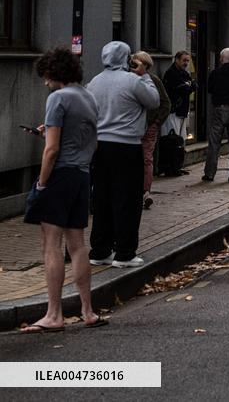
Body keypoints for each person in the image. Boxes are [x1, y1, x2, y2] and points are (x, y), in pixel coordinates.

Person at [19, 48, 106, 333]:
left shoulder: (57, 98)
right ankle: (87, 310)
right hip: (82, 174)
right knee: (78, 244)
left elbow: (52, 149)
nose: (45, 82)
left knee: (51, 244)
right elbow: (89, 140)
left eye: (46, 75)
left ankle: (54, 314)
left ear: (54, 72)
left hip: (59, 176)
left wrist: (42, 183)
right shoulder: (88, 97)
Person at [87, 41, 160, 269]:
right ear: (127, 59)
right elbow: (154, 101)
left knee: (102, 198)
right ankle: (125, 253)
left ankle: (100, 249)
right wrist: (144, 75)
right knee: (127, 200)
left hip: (100, 146)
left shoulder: (94, 82)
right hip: (127, 145)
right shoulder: (133, 81)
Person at [131, 52, 169, 209]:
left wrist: (156, 123)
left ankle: (145, 192)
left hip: (148, 126)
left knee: (146, 158)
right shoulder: (129, 79)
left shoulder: (153, 81)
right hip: (132, 127)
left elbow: (165, 103)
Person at [202, 48, 229, 182]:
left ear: (221, 58)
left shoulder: (215, 73)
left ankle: (209, 173)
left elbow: (210, 89)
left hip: (219, 109)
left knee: (214, 143)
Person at [161, 50, 196, 175]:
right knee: (172, 139)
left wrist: (189, 86)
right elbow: (184, 89)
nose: (186, 63)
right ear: (177, 60)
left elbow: (190, 86)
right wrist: (189, 87)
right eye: (184, 60)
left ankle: (177, 166)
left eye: (187, 60)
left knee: (180, 140)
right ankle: (171, 167)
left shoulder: (184, 74)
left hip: (181, 110)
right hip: (174, 111)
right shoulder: (172, 74)